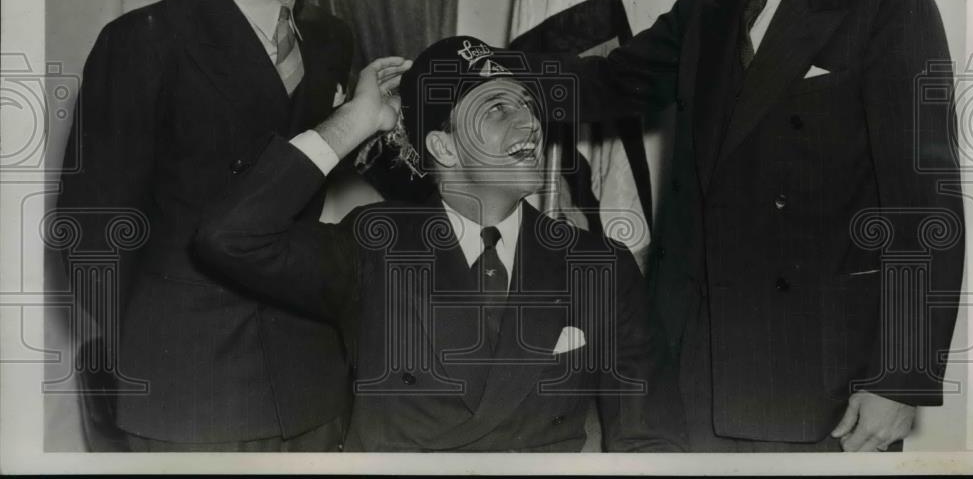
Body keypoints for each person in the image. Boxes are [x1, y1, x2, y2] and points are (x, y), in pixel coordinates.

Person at [550, 0, 964, 451]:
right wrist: (480, 77)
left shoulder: (888, 2)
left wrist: (903, 378)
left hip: (814, 382)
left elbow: (926, 209)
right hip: (685, 364)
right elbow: (610, 83)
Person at [196, 36, 686, 451]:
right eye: (497, 108)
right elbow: (230, 237)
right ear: (444, 146)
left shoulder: (599, 265)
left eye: (528, 106)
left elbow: (650, 444)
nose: (531, 124)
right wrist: (355, 121)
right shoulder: (376, 244)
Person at [56, 0, 366, 451]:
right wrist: (157, 346)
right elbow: (92, 231)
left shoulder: (332, 40)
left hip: (311, 379)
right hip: (192, 388)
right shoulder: (143, 42)